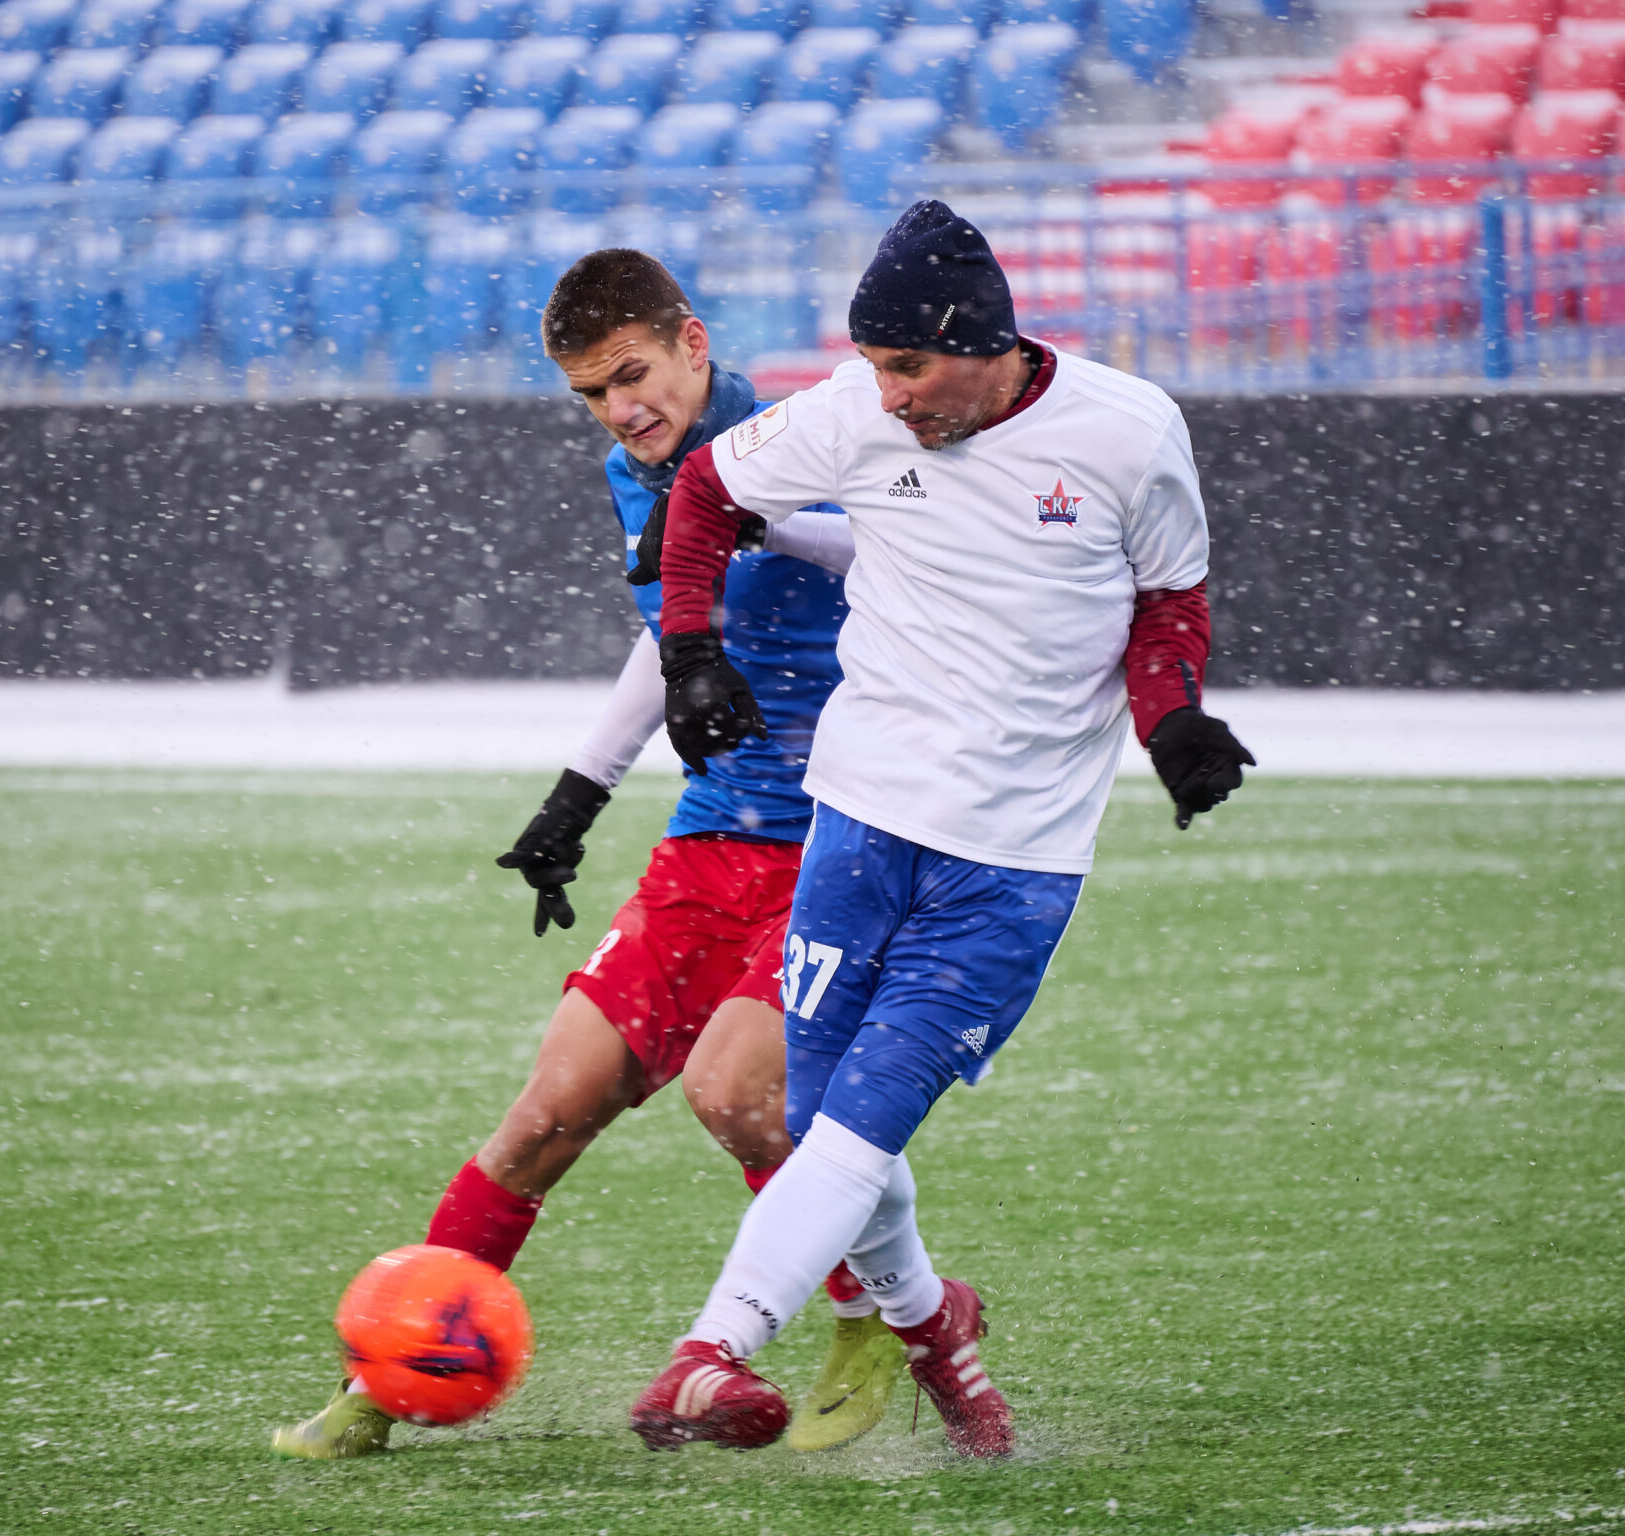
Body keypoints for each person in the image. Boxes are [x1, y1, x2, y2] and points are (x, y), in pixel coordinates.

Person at [628, 201, 1255, 1458]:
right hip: (857, 824)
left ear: (987, 344)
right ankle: (935, 1326)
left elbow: (1169, 599)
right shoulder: (854, 413)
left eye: (910, 365)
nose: (890, 394)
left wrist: (1172, 716)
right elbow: (703, 488)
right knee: (819, 1120)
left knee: (864, 1121)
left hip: (1011, 868)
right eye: (874, 364)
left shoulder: (1131, 432)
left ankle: (710, 1353)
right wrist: (690, 649)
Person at [272, 248, 904, 1460]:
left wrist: (747, 516)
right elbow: (670, 637)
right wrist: (580, 793)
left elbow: (904, 562)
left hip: (846, 839)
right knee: (545, 1116)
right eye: (592, 394)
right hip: (712, 837)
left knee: (742, 1098)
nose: (620, 411)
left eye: (632, 376)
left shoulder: (816, 439)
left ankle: (871, 1318)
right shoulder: (635, 473)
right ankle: (390, 1374)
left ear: (693, 342)